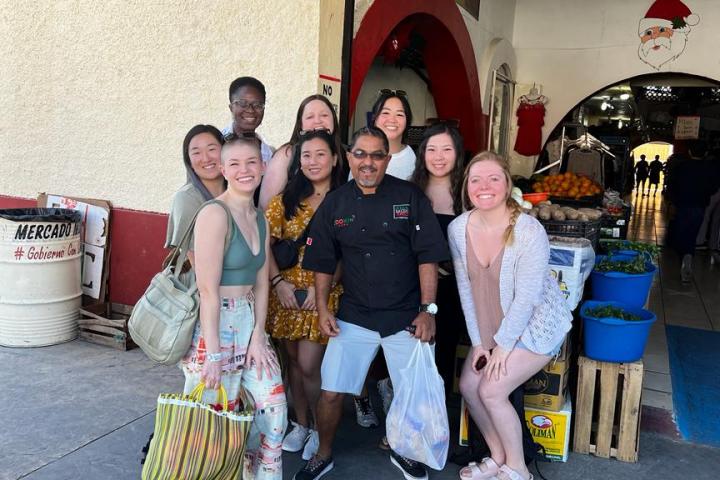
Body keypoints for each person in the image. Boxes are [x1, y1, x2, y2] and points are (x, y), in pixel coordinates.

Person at [294, 127, 449, 480]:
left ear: (387, 159)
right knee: (332, 392)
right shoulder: (335, 203)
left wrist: (428, 311)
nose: (368, 162)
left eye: (376, 155)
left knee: (413, 394)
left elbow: (428, 257)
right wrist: (322, 310)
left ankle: (405, 450)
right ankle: (323, 453)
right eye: (360, 154)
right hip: (355, 315)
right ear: (349, 157)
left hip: (405, 316)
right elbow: (321, 261)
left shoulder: (410, 198)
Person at [448, 152, 572, 480]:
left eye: (493, 179)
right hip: (493, 325)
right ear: (466, 187)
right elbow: (466, 289)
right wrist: (478, 343)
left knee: (491, 390)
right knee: (469, 386)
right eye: (475, 180)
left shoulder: (529, 231)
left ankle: (518, 469)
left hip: (535, 326)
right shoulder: (458, 229)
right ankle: (497, 456)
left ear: (507, 186)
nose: (484, 186)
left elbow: (528, 300)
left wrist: (502, 346)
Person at [182, 136, 287, 479]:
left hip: (249, 320)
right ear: (224, 170)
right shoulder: (214, 214)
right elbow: (207, 290)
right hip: (217, 326)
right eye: (236, 164)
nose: (245, 170)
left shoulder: (259, 217)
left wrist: (259, 333)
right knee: (213, 428)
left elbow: (260, 282)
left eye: (252, 162)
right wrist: (213, 354)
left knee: (274, 415)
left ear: (263, 166)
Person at [265, 129, 345, 461]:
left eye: (320, 154)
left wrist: (319, 289)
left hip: (320, 297)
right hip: (285, 295)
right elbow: (265, 245)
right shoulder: (285, 200)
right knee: (294, 363)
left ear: (335, 159)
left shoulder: (346, 200)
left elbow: (346, 255)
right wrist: (277, 284)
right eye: (306, 155)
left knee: (312, 366)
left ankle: (317, 424)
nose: (313, 161)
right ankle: (301, 424)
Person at [350, 89, 417, 426]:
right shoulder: (360, 153)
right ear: (374, 118)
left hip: (397, 262)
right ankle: (362, 398)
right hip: (358, 259)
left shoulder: (412, 160)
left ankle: (388, 388)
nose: (392, 119)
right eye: (385, 112)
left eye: (400, 113)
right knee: (356, 336)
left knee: (393, 336)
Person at [409, 122, 465, 394]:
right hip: (412, 289)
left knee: (443, 355)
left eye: (446, 149)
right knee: (411, 355)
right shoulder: (410, 192)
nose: (439, 156)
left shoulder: (468, 193)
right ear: (423, 154)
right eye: (432, 149)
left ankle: (436, 421)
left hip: (455, 290)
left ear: (457, 153)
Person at [259, 94, 345, 209]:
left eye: (324, 115)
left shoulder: (346, 154)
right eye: (310, 117)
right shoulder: (287, 154)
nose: (318, 121)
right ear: (301, 125)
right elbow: (265, 208)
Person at [165, 125, 226, 263]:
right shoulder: (186, 198)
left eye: (212, 149)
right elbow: (196, 262)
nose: (205, 158)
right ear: (190, 162)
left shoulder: (236, 193)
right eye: (196, 152)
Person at [666, 141, 717, 282]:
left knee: (681, 233)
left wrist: (672, 201)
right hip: (699, 205)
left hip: (682, 205)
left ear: (689, 152)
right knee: (692, 232)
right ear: (705, 153)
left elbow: (672, 186)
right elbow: (713, 188)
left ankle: (685, 255)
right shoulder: (710, 169)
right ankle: (688, 255)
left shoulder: (682, 167)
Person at [222, 76, 274, 163]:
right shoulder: (216, 143)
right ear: (231, 108)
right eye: (242, 103)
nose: (250, 110)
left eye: (257, 105)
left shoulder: (269, 154)